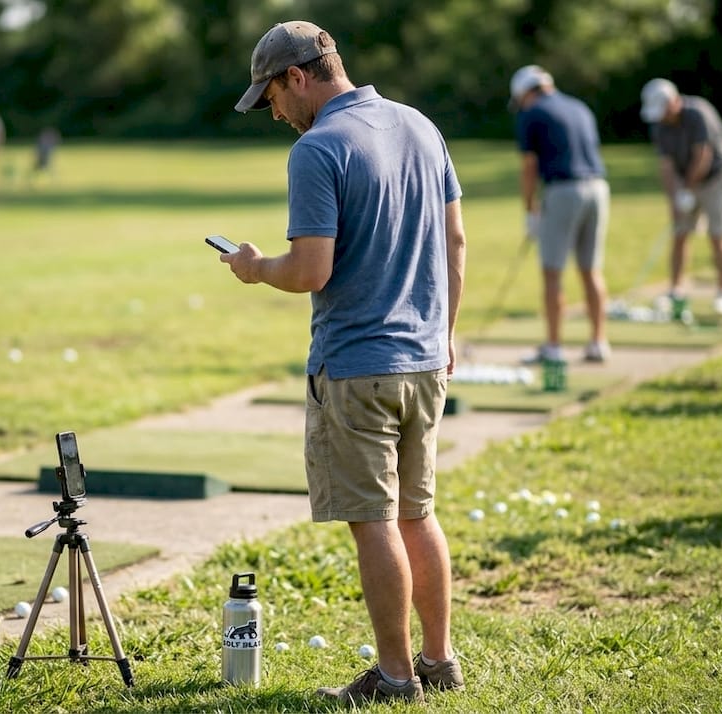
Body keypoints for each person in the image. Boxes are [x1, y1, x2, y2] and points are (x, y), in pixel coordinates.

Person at [222, 20, 466, 705]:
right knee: (419, 514)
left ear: (297, 77)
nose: (272, 112)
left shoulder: (317, 148)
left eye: (270, 95)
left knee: (375, 521)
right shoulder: (419, 125)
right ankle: (439, 662)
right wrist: (444, 334)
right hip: (424, 358)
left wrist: (252, 267)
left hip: (358, 365)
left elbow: (308, 270)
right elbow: (456, 240)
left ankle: (394, 677)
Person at [510, 65, 611, 364]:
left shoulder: (532, 113)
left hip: (564, 191)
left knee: (552, 272)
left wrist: (530, 210)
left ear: (526, 93)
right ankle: (598, 342)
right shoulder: (578, 106)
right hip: (598, 189)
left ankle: (553, 347)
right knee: (591, 270)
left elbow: (529, 167)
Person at [640, 78, 722, 316]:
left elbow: (703, 155)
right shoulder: (659, 125)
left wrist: (687, 190)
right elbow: (666, 166)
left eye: (663, 110)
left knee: (717, 235)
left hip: (717, 177)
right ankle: (676, 290)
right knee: (680, 234)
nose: (661, 117)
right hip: (686, 180)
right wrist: (674, 199)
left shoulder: (697, 113)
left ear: (674, 101)